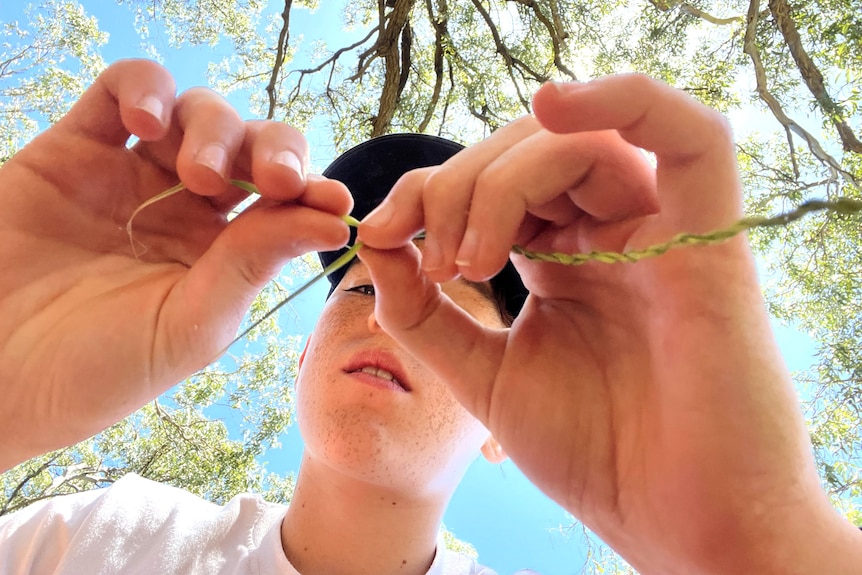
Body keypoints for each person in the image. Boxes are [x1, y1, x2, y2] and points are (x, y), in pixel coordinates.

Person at [0, 57, 860, 575]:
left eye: (449, 311)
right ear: (300, 357)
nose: (387, 320)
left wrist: (764, 543)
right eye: (363, 290)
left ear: (500, 430)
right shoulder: (92, 538)